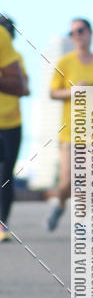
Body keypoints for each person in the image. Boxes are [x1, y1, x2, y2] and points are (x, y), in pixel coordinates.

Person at [47, 18, 93, 231]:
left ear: (90, 33)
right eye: (73, 33)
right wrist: (74, 90)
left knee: (87, 177)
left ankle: (81, 223)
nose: (77, 35)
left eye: (80, 31)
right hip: (70, 131)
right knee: (68, 180)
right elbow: (52, 92)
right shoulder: (65, 62)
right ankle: (59, 203)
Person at [0, 16, 29, 242]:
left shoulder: (15, 57)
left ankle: (2, 224)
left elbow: (23, 88)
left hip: (10, 124)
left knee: (5, 176)